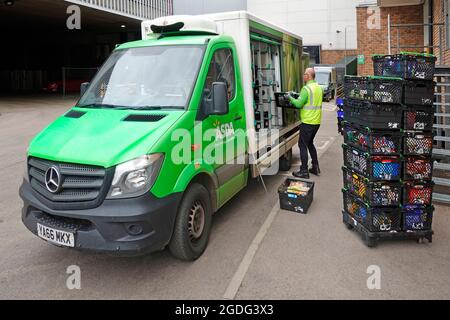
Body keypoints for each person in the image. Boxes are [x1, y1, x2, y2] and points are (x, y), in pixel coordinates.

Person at [288, 67, 324, 179]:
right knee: (310, 143)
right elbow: (309, 99)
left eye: (304, 74)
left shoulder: (306, 89)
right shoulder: (318, 88)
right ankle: (315, 166)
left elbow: (298, 104)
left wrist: (289, 97)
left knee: (302, 145)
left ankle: (304, 170)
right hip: (316, 122)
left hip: (308, 122)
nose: (303, 76)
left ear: (308, 76)